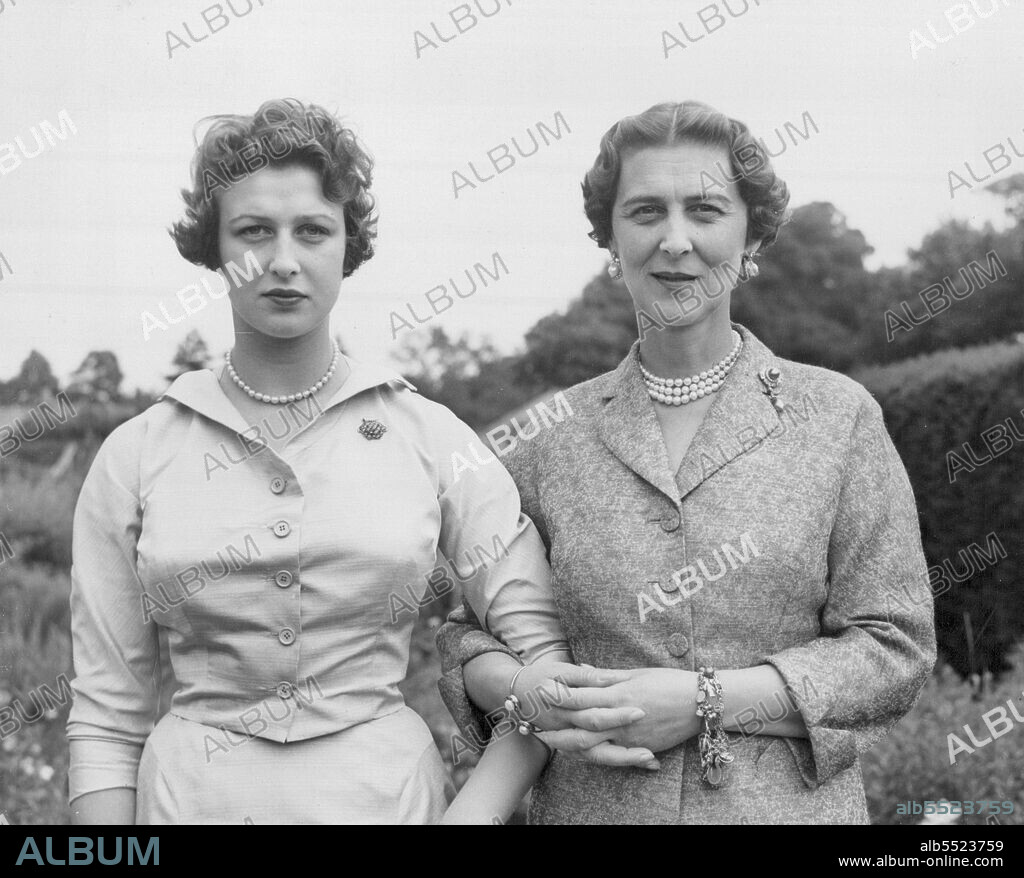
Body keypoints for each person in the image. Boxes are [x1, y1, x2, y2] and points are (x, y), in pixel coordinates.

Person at [64, 99, 649, 825]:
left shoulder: (430, 437)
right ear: (214, 246)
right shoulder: (136, 454)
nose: (283, 260)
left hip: (387, 803)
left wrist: (466, 819)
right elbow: (106, 716)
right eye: (253, 231)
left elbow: (542, 665)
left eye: (312, 230)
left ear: (347, 245)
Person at [435, 100, 938, 824]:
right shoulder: (543, 439)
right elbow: (467, 636)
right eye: (646, 212)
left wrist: (707, 700)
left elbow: (894, 647)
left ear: (750, 234)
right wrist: (526, 691)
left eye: (705, 210)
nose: (675, 241)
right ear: (610, 237)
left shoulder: (839, 418)